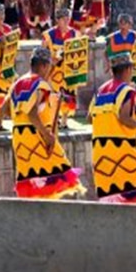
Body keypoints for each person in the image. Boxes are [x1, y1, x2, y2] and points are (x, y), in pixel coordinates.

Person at [8, 46, 86, 199]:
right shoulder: (41, 85)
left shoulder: (16, 84)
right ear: (43, 65)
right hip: (37, 137)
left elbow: (4, 109)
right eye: (49, 66)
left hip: (19, 139)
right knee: (58, 174)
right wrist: (47, 135)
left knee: (32, 181)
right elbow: (32, 113)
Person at [90, 53, 136, 203]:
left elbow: (90, 117)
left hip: (100, 153)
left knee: (113, 196)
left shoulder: (100, 91)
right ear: (128, 69)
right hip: (121, 151)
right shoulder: (127, 91)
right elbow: (124, 117)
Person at [42, 8, 81, 129]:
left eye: (68, 19)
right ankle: (55, 118)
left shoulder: (75, 34)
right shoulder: (49, 35)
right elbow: (42, 52)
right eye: (63, 19)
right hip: (54, 71)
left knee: (69, 94)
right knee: (55, 94)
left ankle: (64, 120)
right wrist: (52, 60)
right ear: (58, 20)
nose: (66, 21)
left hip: (69, 70)